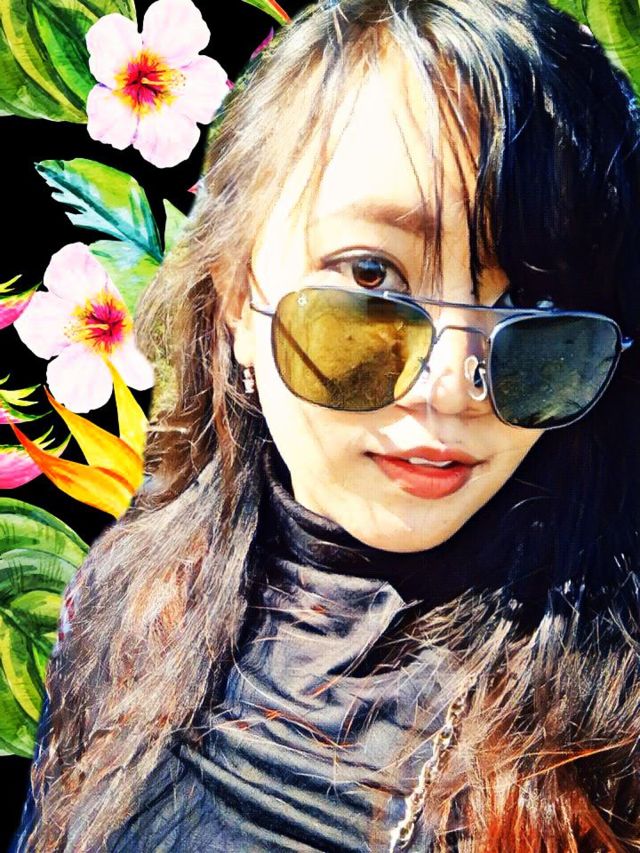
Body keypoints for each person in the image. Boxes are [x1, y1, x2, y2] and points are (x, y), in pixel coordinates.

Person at [11, 0, 640, 849]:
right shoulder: (130, 594)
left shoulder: (608, 735)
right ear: (238, 296)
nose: (454, 388)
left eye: (535, 299)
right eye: (372, 275)